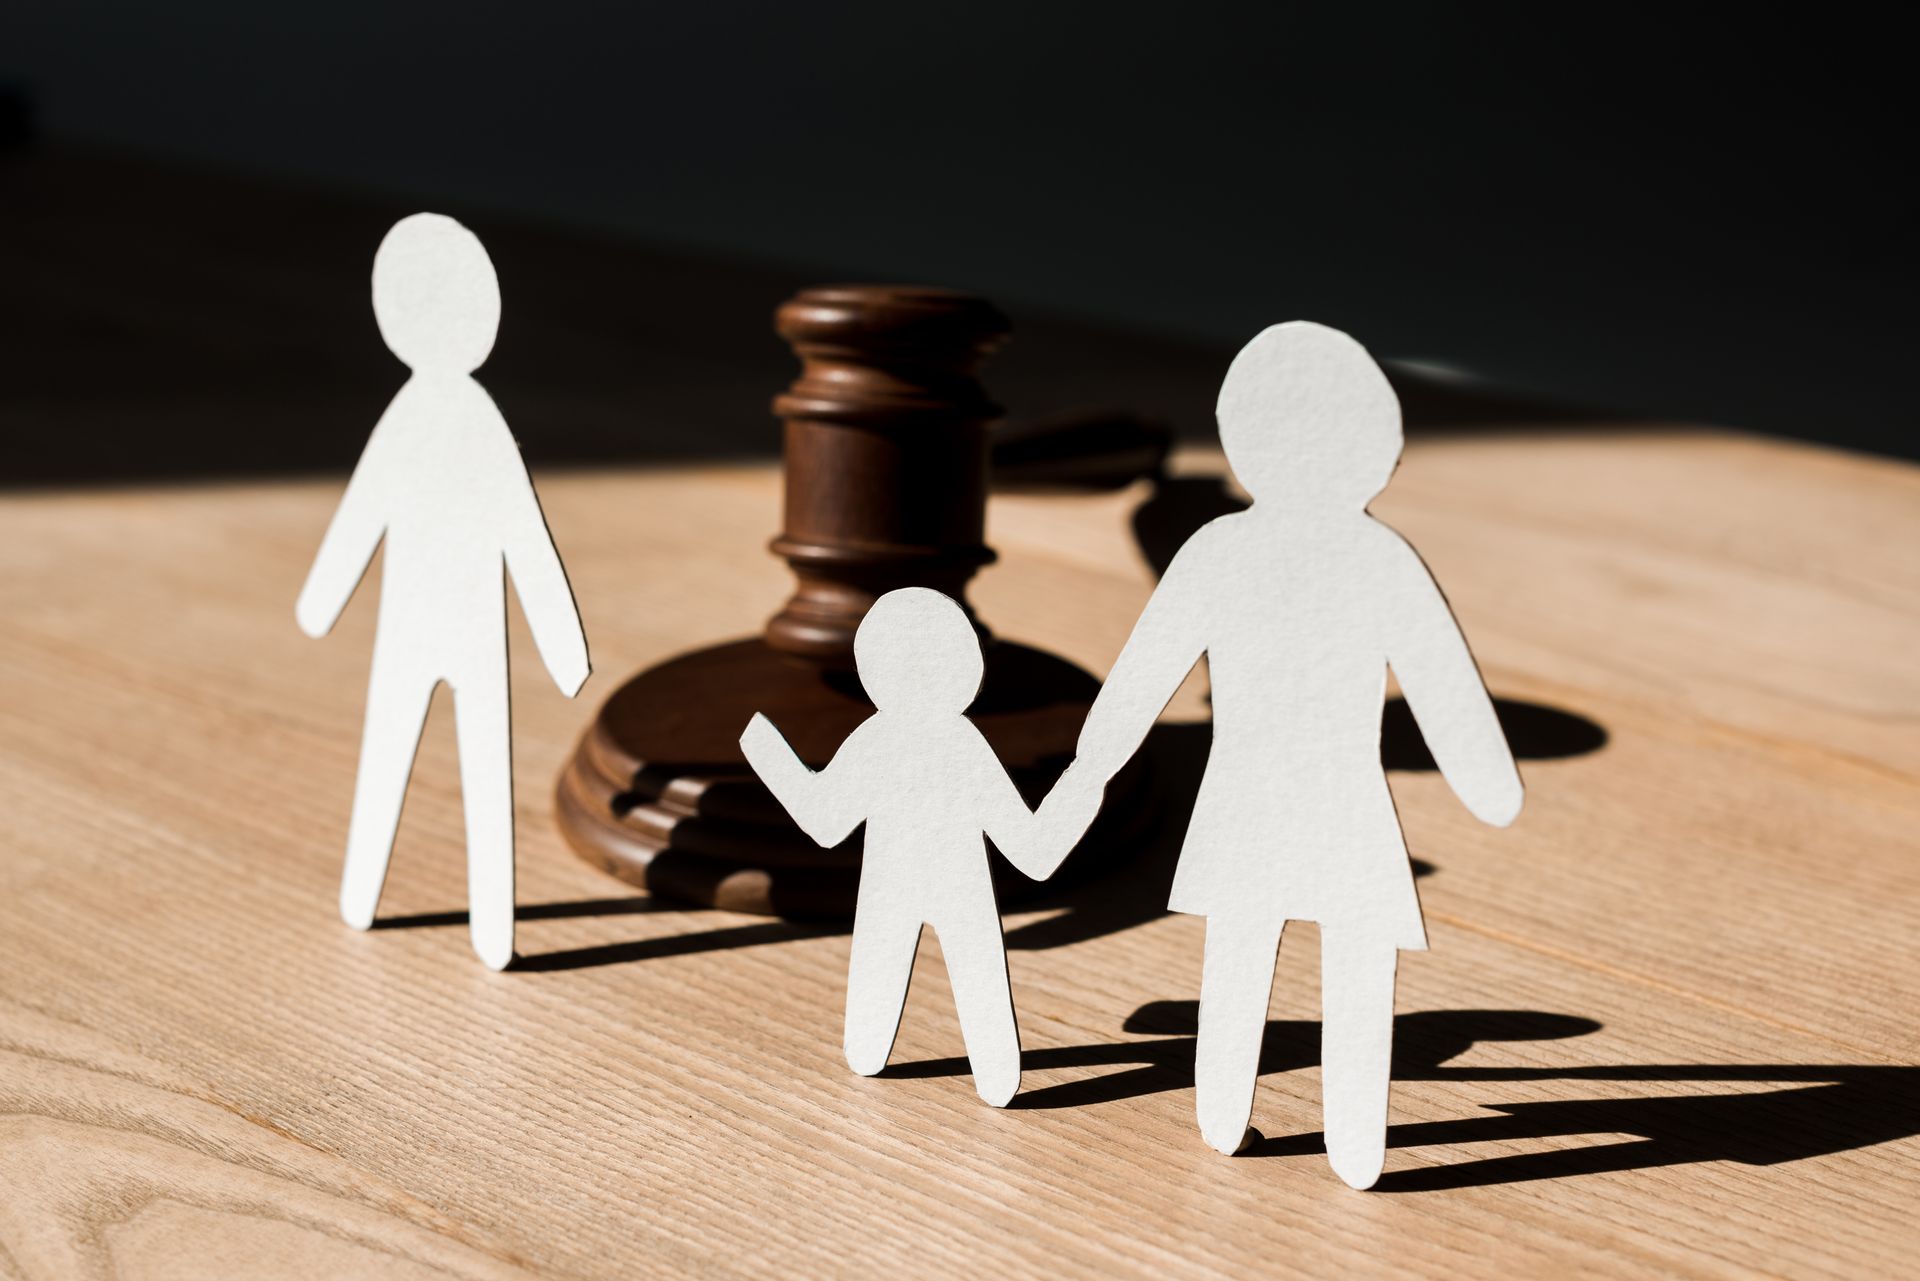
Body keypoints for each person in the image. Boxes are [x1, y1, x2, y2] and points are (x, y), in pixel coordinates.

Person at [1057, 321, 1523, 1187]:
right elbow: (1445, 684)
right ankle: (1330, 1135)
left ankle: (1245, 1114)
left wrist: (1091, 765)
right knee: (1341, 960)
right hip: (1328, 797)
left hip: (1263, 795)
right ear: (1379, 443)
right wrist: (1485, 779)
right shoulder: (1373, 554)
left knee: (1253, 945)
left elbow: (1142, 675)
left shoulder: (1221, 548)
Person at [296, 213, 590, 972]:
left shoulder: (472, 423)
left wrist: (561, 644)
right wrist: (322, 597)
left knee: (478, 764)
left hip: (466, 629)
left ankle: (487, 926)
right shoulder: (417, 419)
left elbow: (522, 531)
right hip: (413, 626)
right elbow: (366, 510)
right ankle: (368, 894)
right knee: (395, 751)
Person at [740, 587, 1100, 1106]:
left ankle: (952, 1071)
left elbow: (823, 821)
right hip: (949, 890)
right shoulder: (954, 742)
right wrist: (1080, 788)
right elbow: (1031, 850)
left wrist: (768, 755)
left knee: (904, 985)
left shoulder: (895, 738)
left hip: (913, 888)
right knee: (962, 984)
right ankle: (989, 1080)